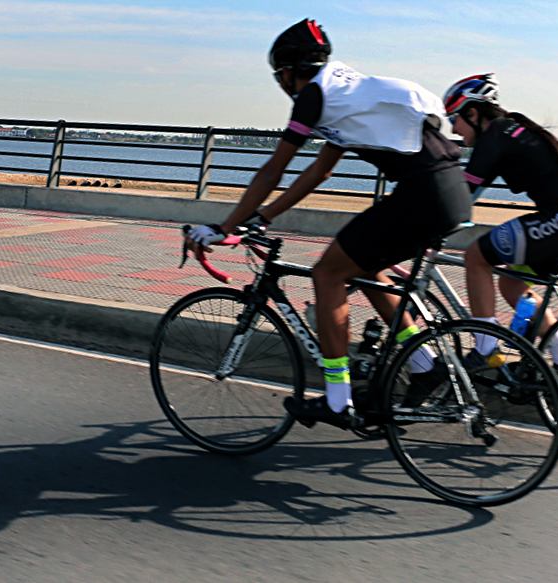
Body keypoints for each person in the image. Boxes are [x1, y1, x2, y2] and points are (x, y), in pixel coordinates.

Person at [186, 19, 472, 428]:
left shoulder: (313, 96)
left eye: (278, 76)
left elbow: (273, 170)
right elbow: (318, 172)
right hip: (448, 190)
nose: (281, 84)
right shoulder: (343, 92)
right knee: (367, 267)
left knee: (327, 273)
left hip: (423, 194)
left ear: (289, 70)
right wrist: (262, 217)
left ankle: (338, 399)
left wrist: (224, 226)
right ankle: (426, 364)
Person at [443, 73, 558, 377]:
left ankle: (486, 349)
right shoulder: (515, 128)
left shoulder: (495, 134)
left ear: (473, 113)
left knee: (476, 256)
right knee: (512, 283)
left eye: (454, 119)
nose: (453, 129)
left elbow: (462, 195)